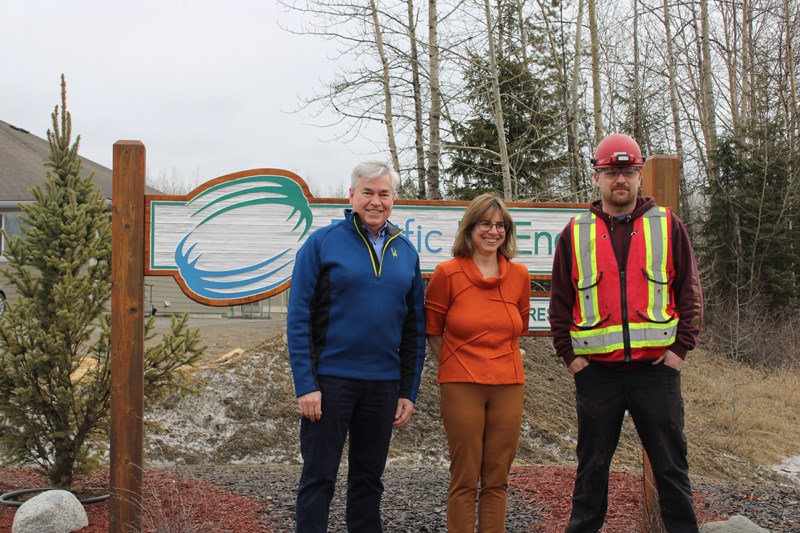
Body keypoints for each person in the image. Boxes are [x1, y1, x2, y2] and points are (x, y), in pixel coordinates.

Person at [548, 134, 703, 533]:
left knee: (671, 467)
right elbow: (560, 304)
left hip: (657, 372)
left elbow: (690, 293)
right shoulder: (575, 232)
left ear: (639, 176)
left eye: (629, 171)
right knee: (592, 469)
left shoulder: (668, 226)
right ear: (596, 176)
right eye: (612, 171)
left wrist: (678, 353)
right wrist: (573, 359)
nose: (621, 179)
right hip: (597, 376)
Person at [287, 160, 426, 533]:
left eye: (384, 193)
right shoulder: (322, 244)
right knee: (319, 477)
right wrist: (306, 385)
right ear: (352, 196)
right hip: (330, 384)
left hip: (382, 386)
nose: (375, 201)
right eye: (367, 192)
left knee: (368, 480)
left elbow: (414, 329)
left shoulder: (406, 253)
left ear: (394, 199)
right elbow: (298, 318)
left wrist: (407, 391)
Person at [425, 193, 532, 533]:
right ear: (470, 228)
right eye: (486, 223)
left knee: (497, 478)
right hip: (461, 385)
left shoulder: (519, 275)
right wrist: (459, 366)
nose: (493, 231)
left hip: (508, 384)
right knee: (465, 478)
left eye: (501, 226)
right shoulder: (447, 273)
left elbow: (520, 326)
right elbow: (433, 331)